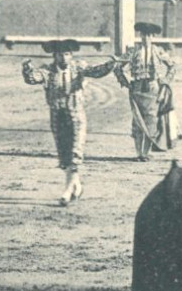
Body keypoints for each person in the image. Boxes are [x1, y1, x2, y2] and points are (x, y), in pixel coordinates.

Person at [22, 39, 116, 205]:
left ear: (71, 55)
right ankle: (76, 186)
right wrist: (27, 70)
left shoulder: (78, 67)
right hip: (57, 115)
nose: (64, 58)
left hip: (75, 114)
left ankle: (67, 191)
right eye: (60, 55)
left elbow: (96, 71)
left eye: (67, 54)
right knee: (64, 152)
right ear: (55, 56)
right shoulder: (47, 70)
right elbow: (33, 79)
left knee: (74, 151)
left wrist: (111, 64)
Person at [114, 21, 179, 161]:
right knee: (138, 121)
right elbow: (117, 67)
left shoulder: (158, 51)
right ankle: (139, 153)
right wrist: (125, 83)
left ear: (153, 36)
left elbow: (172, 66)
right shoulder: (133, 51)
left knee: (151, 120)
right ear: (140, 35)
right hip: (137, 87)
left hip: (152, 87)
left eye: (149, 35)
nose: (146, 38)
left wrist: (165, 81)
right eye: (143, 35)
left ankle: (145, 152)